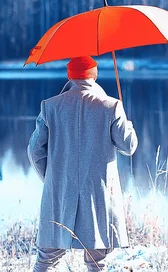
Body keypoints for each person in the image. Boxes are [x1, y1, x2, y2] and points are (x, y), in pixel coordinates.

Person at [27, 56, 138, 272]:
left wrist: (51, 178)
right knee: (97, 263)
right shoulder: (111, 106)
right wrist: (127, 121)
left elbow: (34, 151)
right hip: (98, 197)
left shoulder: (50, 107)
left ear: (70, 75)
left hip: (59, 195)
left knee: (46, 261)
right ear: (94, 75)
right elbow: (129, 147)